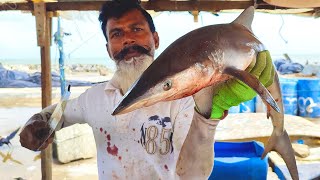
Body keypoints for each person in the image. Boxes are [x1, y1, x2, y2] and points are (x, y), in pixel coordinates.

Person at [19, 0, 275, 179]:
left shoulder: (187, 98)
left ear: (155, 40)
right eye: (116, 33)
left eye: (137, 29)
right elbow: (58, 114)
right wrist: (35, 125)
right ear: (108, 49)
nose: (128, 39)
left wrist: (208, 117)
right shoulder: (95, 98)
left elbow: (193, 176)